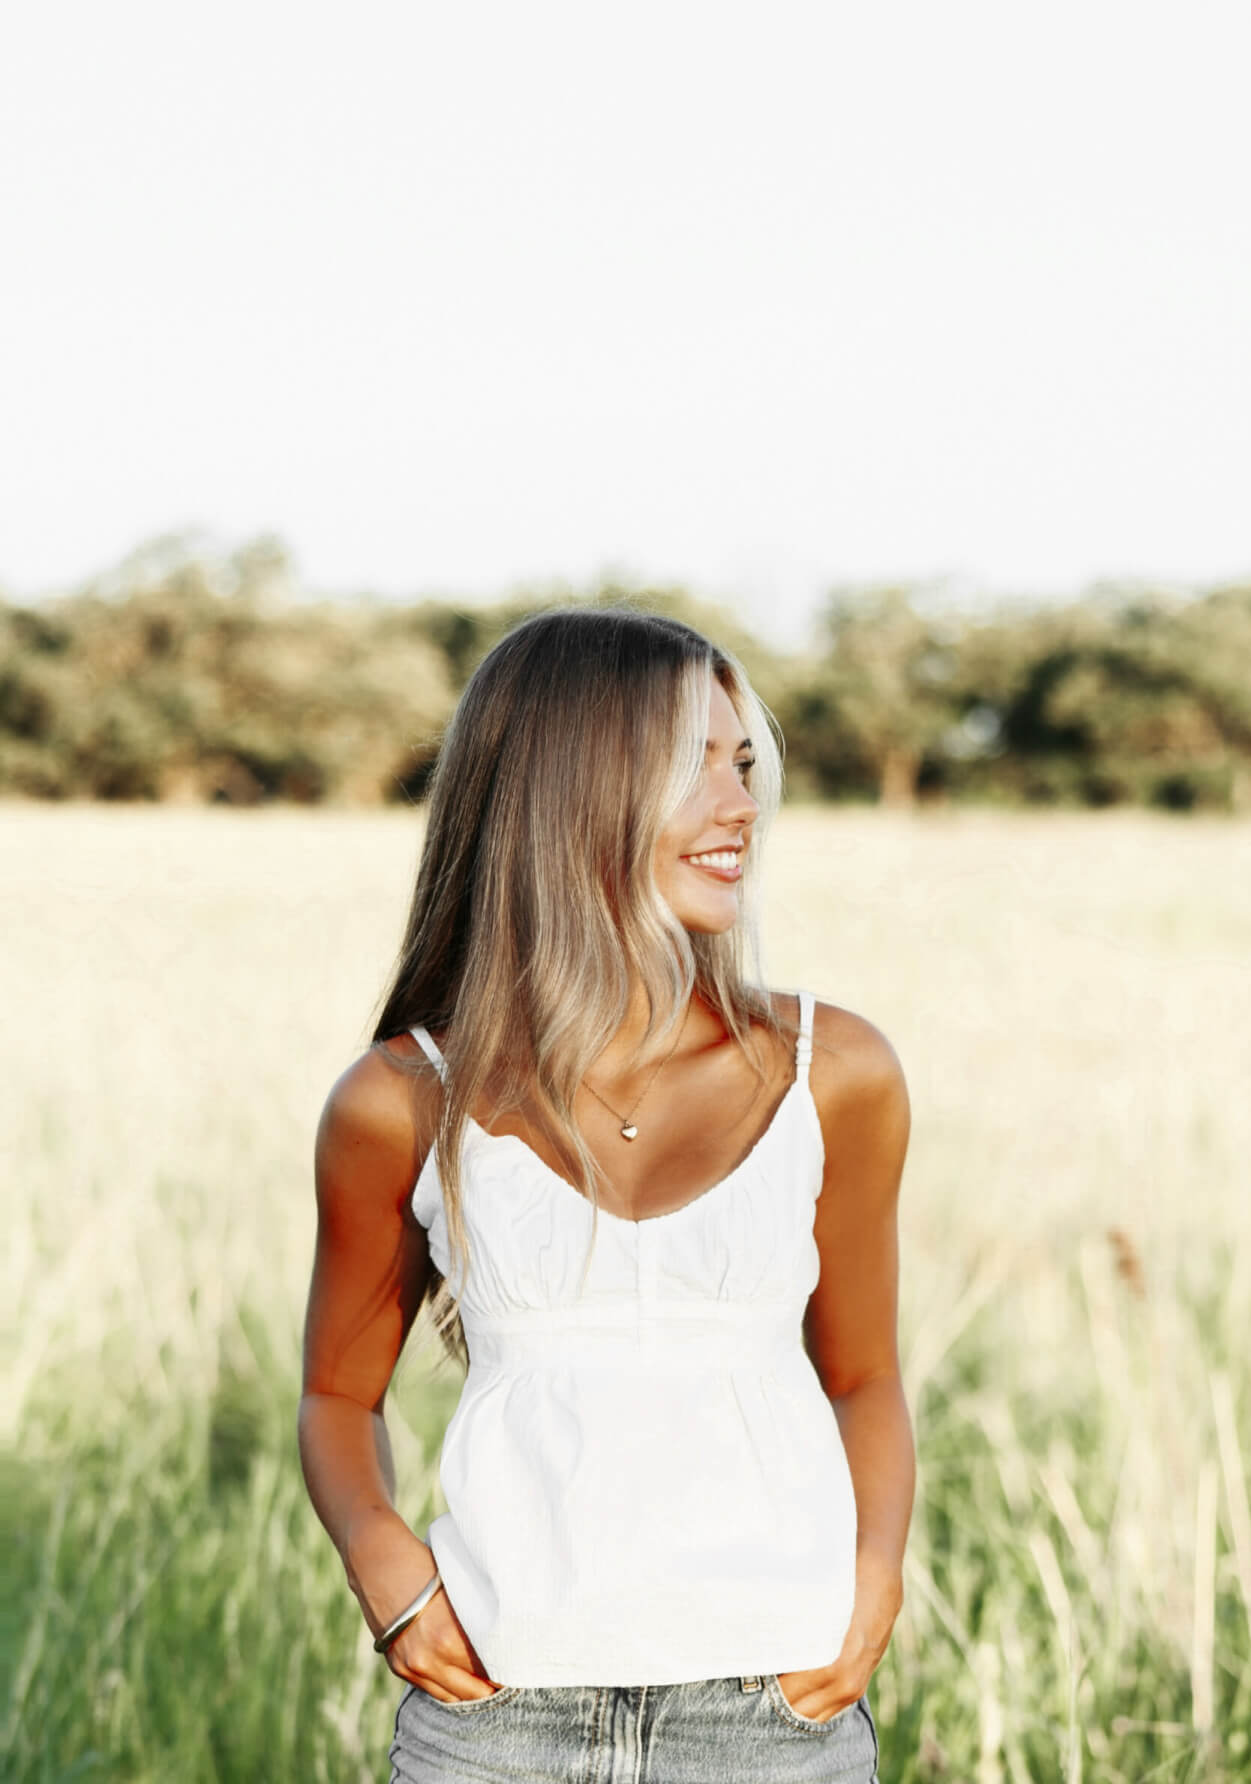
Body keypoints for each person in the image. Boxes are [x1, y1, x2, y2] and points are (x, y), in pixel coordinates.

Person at [299, 606, 915, 1783]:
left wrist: (873, 1580)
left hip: (771, 1717)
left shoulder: (833, 1072)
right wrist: (385, 1569)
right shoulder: (401, 1101)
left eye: (744, 765)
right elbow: (336, 1394)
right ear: (568, 786)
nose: (741, 806)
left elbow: (865, 1377)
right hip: (496, 1720)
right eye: (695, 764)